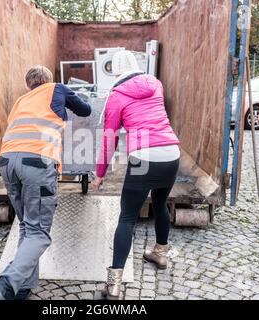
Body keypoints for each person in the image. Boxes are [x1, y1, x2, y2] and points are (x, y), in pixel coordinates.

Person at [0, 65, 91, 300]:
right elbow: (85, 110)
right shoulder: (58, 88)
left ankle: (20, 288)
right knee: (39, 232)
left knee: (26, 226)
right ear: (48, 80)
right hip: (37, 162)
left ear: (28, 85)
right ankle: (6, 282)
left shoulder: (21, 101)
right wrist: (77, 96)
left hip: (7, 162)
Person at [93, 51, 180, 300]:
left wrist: (100, 174)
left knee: (128, 217)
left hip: (144, 157)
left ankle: (114, 285)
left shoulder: (116, 96)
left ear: (116, 71)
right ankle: (160, 253)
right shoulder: (155, 84)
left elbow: (110, 139)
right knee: (161, 203)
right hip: (171, 153)